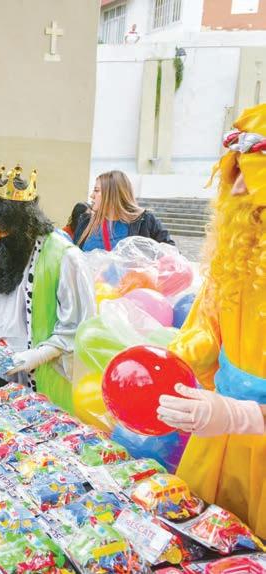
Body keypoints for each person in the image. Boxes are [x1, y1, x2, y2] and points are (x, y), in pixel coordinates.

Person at [155, 104, 266, 538]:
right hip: (217, 440)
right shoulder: (235, 258)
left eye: (251, 177)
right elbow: (206, 325)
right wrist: (176, 360)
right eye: (234, 173)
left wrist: (243, 415)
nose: (236, 190)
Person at [0, 165, 95, 412]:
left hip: (45, 377)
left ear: (25, 224)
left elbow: (81, 324)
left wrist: (39, 355)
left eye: (2, 229)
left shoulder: (64, 257)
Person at [74, 170, 174, 251]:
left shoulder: (145, 221)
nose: (92, 195)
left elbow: (171, 254)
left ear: (112, 194)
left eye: (96, 190)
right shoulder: (86, 221)